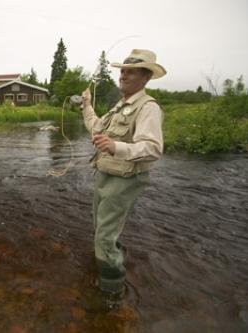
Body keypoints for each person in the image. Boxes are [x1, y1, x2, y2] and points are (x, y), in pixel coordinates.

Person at [80, 49, 166, 303]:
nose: (123, 75)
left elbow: (153, 148)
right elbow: (96, 127)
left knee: (104, 235)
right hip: (106, 174)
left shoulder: (148, 107)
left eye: (131, 72)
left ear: (146, 77)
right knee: (102, 229)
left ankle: (112, 291)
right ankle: (110, 257)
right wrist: (87, 106)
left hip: (125, 179)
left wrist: (117, 147)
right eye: (123, 71)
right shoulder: (120, 106)